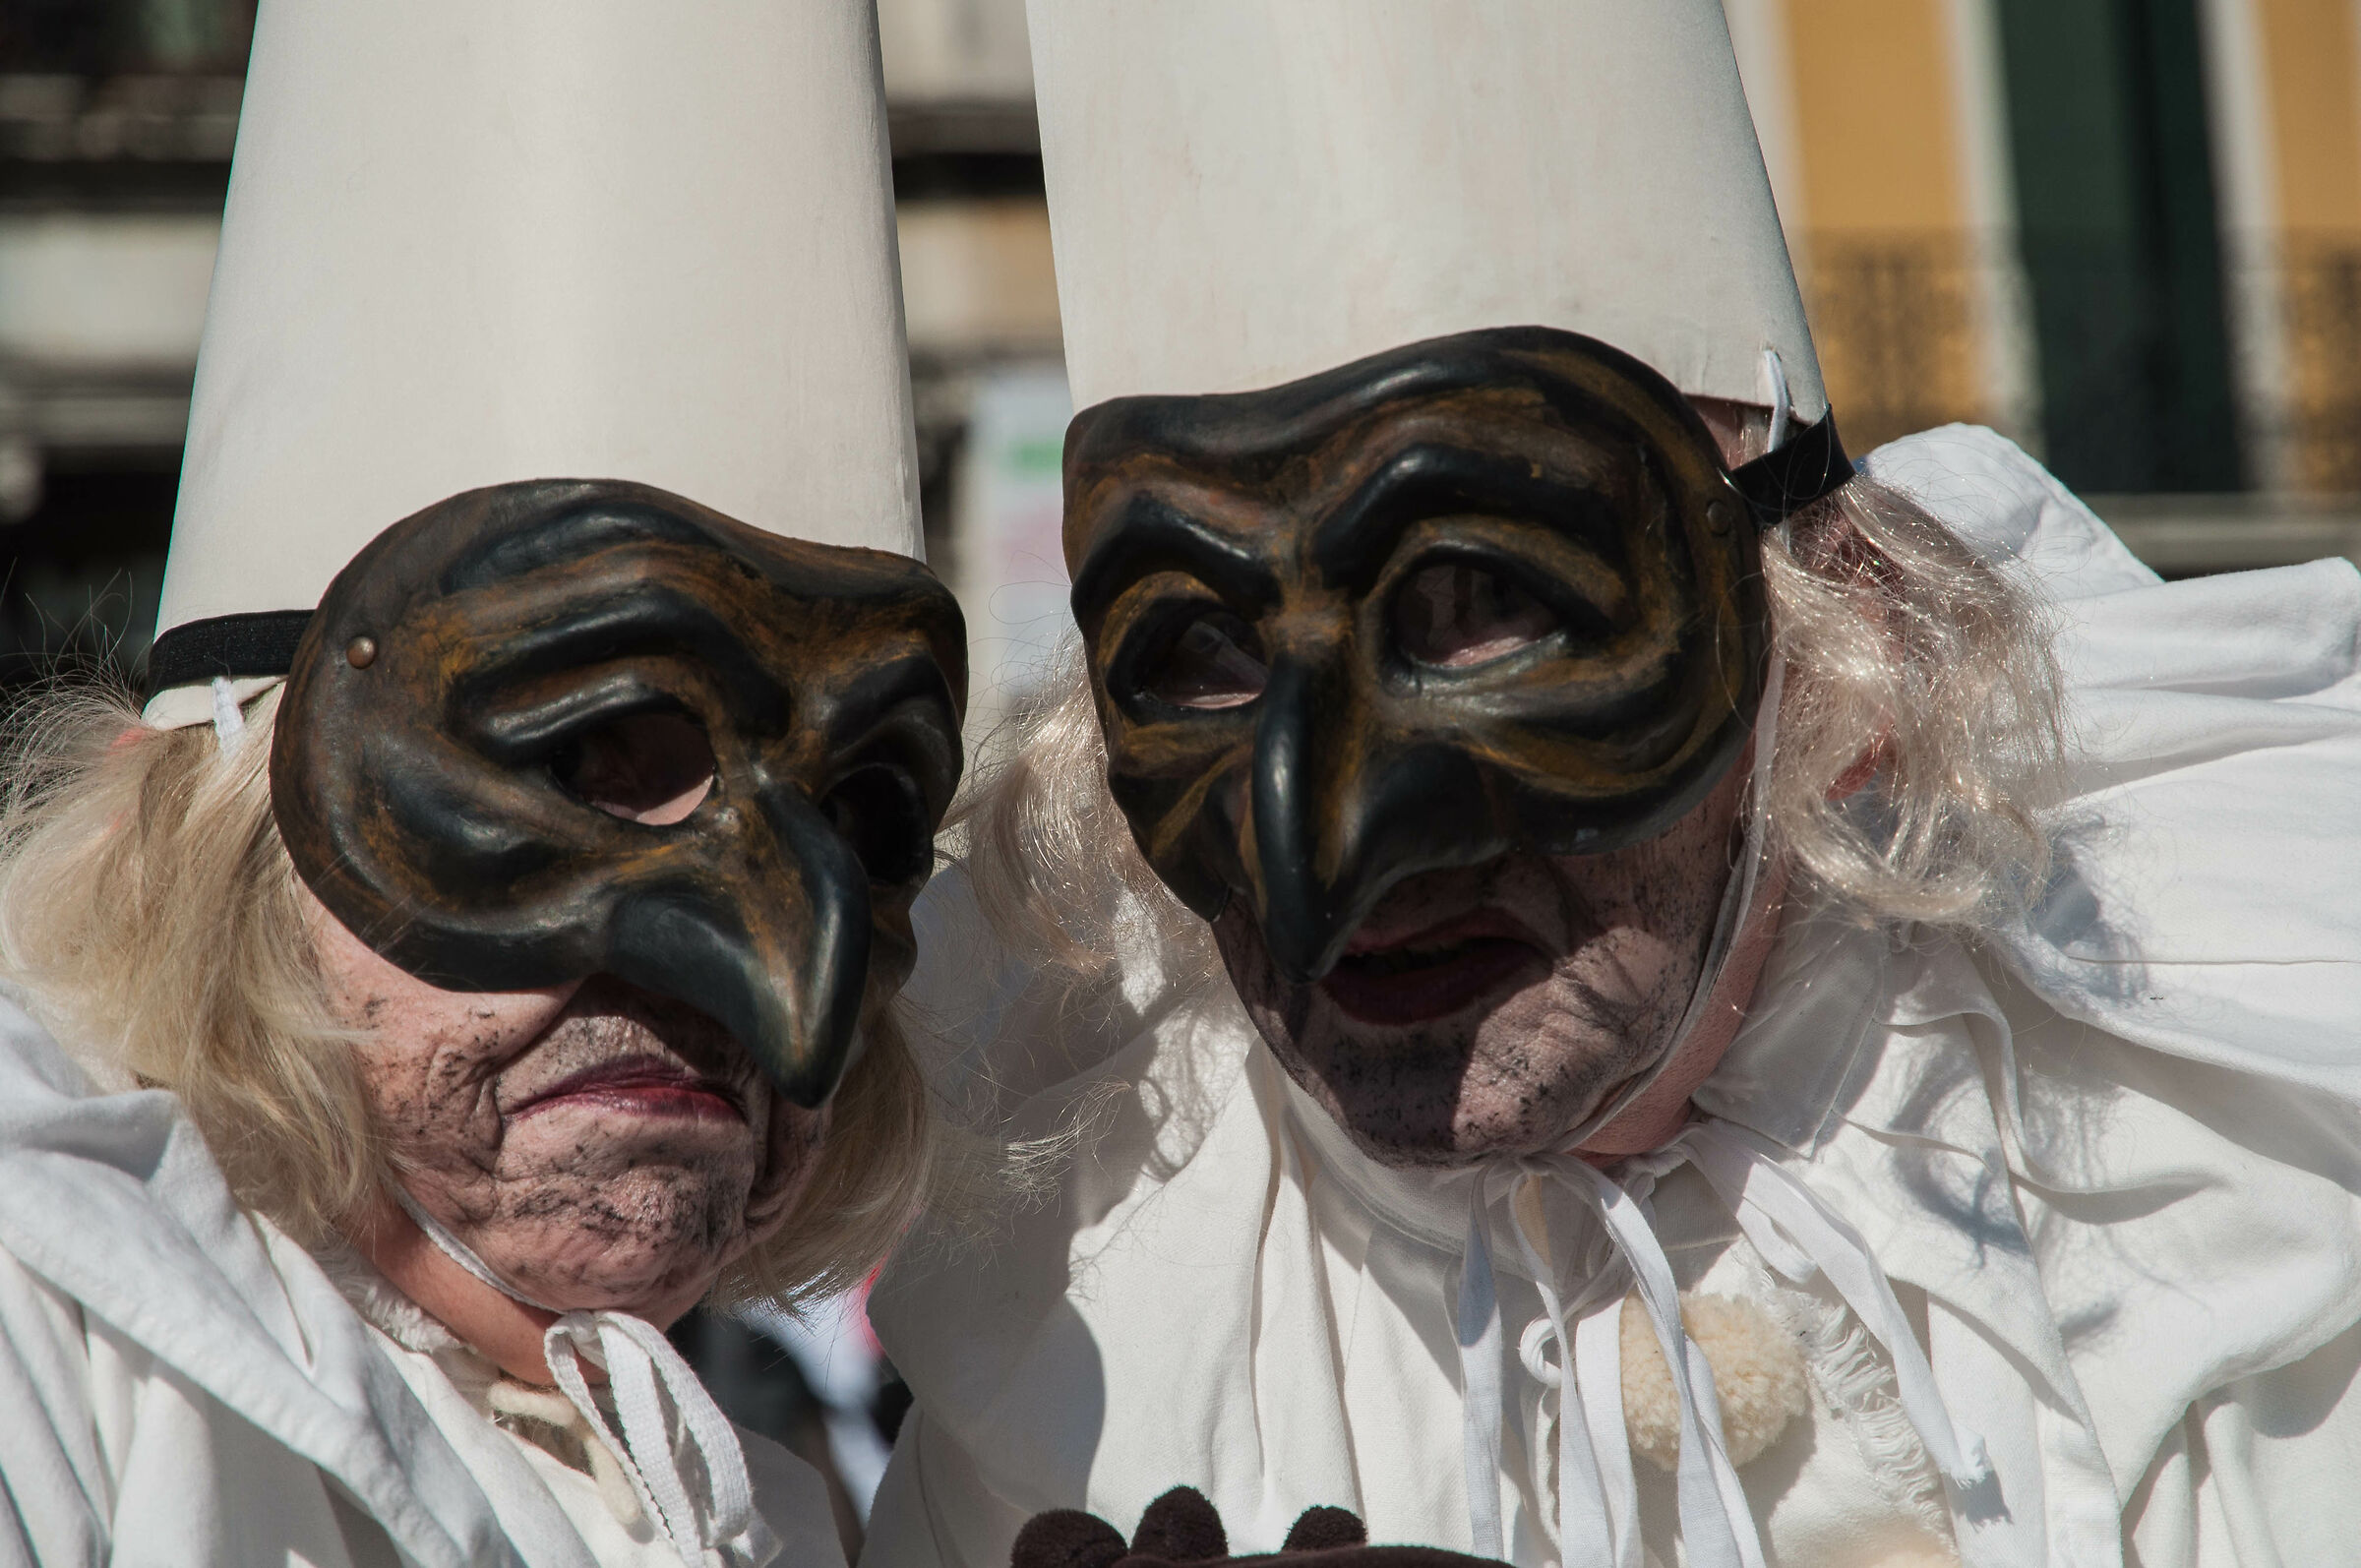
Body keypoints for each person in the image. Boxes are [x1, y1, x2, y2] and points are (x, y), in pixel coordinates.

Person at [864, 4, 2361, 1567]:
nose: (1323, 857)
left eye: (1489, 607)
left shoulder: (2258, 1185)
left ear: (1837, 662)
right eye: (1200, 651)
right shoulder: (1081, 1360)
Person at [0, 2, 967, 1564]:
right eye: (581, 755)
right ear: (210, 837)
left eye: (856, 813)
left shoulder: (767, 1509)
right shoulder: (48, 1335)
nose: (775, 966)